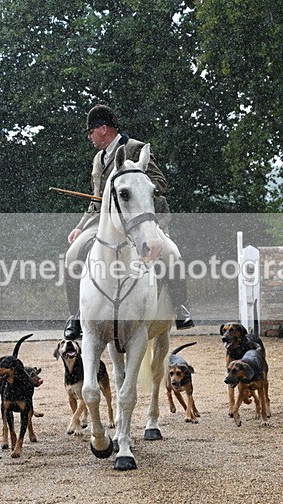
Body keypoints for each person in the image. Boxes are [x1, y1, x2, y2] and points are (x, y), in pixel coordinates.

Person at [62, 104, 194, 340]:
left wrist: (130, 190)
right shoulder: (98, 159)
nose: (89, 137)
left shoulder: (136, 148)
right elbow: (95, 199)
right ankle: (75, 315)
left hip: (139, 218)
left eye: (90, 132)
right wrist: (81, 225)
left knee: (171, 253)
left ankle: (180, 306)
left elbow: (159, 182)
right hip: (105, 220)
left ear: (103, 129)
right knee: (73, 255)